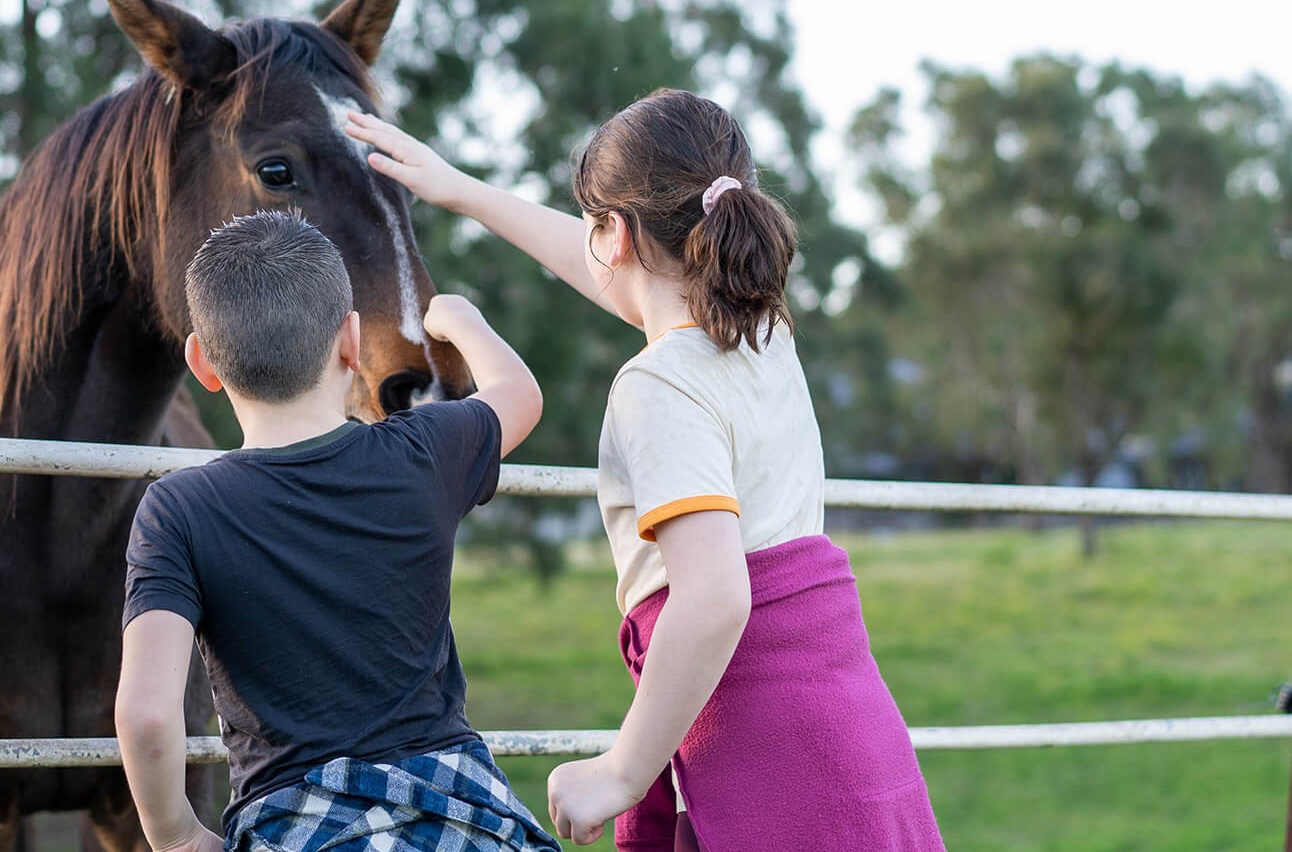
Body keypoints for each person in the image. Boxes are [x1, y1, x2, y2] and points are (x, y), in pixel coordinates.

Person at [346, 91, 945, 851]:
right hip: (845, 729)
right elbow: (608, 269)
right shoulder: (764, 331)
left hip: (766, 750)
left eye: (594, 225)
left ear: (618, 235)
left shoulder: (658, 384)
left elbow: (718, 595)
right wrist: (460, 188)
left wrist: (622, 771)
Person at [115, 210, 561, 852]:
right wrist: (458, 318)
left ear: (202, 364)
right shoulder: (422, 453)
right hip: (461, 816)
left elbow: (147, 715)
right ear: (351, 343)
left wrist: (179, 837)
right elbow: (519, 393)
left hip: (298, 825)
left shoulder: (178, 509)